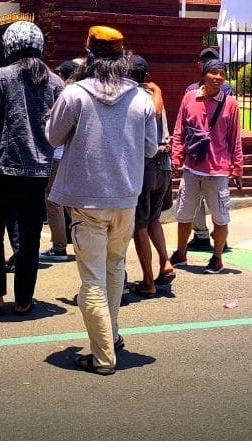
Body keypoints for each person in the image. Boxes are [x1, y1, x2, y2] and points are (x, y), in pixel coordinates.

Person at [46, 26, 157, 375]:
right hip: (125, 197)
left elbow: (52, 137)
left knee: (92, 279)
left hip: (86, 199)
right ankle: (109, 341)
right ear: (123, 56)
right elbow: (152, 148)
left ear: (89, 54)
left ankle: (104, 357)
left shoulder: (74, 93)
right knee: (114, 270)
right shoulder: (141, 98)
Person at [0, 22, 63, 316]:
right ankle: (24, 300)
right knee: (30, 237)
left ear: (9, 46)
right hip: (37, 173)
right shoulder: (56, 82)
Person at [170, 59, 244, 274]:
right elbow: (179, 131)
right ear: (204, 75)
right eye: (213, 73)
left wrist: (237, 167)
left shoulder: (231, 104)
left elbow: (235, 139)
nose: (218, 78)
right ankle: (181, 252)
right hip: (192, 169)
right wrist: (177, 157)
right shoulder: (189, 98)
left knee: (220, 217)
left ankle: (217, 257)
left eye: (222, 74)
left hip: (218, 170)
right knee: (184, 214)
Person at [126, 55, 176, 297]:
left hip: (145, 165)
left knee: (139, 225)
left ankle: (148, 281)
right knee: (154, 219)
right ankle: (165, 263)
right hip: (164, 164)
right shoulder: (155, 95)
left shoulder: (132, 97)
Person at [181, 46, 234, 254]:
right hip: (204, 157)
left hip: (209, 158)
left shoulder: (195, 90)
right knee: (210, 204)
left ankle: (206, 237)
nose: (216, 76)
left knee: (206, 203)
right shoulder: (194, 92)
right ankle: (212, 238)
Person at [39, 58, 82, 262]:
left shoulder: (68, 94)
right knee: (73, 201)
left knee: (53, 200)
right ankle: (80, 240)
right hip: (76, 156)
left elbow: (55, 131)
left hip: (58, 154)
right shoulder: (87, 93)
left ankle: (58, 247)